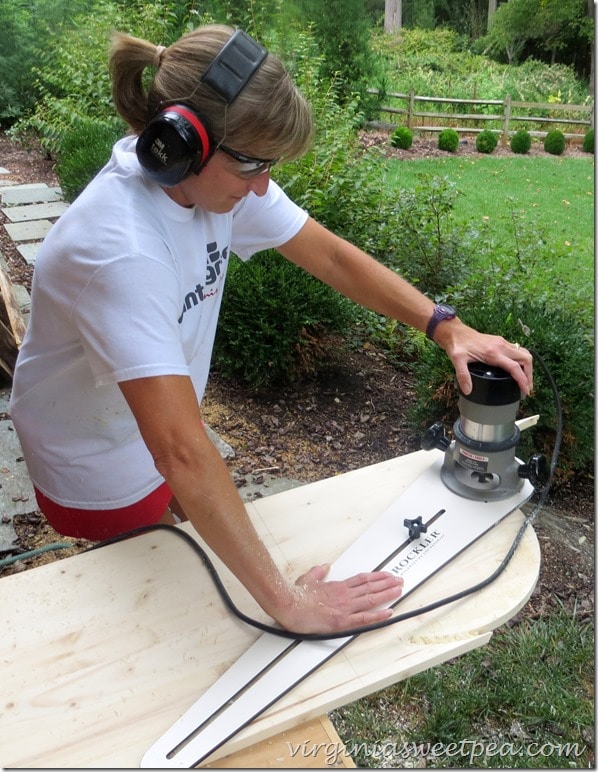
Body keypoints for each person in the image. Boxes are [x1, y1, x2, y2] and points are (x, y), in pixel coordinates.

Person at [10, 25, 532, 635]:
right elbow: (179, 451)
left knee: (189, 544)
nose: (263, 186)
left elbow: (332, 257)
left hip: (144, 429)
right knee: (165, 617)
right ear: (179, 142)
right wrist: (288, 604)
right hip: (95, 461)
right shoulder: (122, 251)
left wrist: (445, 326)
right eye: (254, 164)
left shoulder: (208, 183)